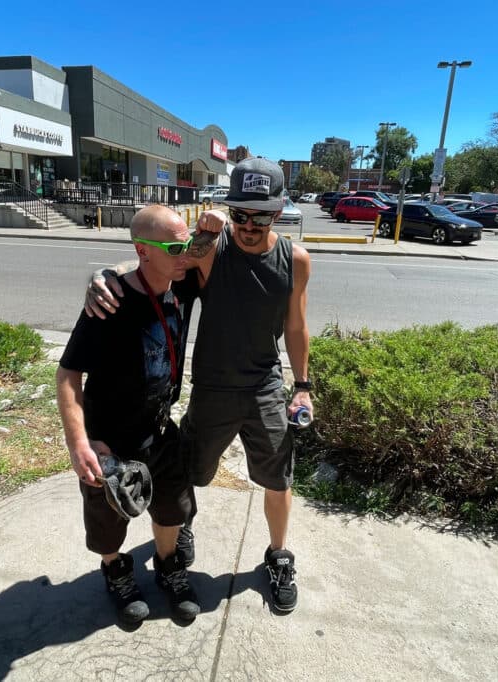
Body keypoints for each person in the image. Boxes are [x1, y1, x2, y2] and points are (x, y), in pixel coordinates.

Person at [86, 157, 313, 613]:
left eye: (261, 215)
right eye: (241, 214)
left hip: (266, 386)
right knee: (190, 470)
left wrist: (302, 385)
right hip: (212, 388)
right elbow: (152, 261)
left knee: (277, 475)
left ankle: (278, 556)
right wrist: (103, 275)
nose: (249, 225)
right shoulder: (211, 249)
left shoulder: (296, 259)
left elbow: (295, 327)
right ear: (231, 211)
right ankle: (180, 526)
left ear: (279, 210)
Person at [57, 205, 216, 624]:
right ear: (143, 251)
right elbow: (68, 374)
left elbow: (211, 244)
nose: (186, 253)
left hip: (161, 431)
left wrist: (213, 222)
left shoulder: (181, 287)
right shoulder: (110, 303)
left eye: (187, 243)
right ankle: (116, 570)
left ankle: (168, 565)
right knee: (108, 523)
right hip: (110, 440)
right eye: (175, 246)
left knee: (172, 509)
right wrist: (79, 443)